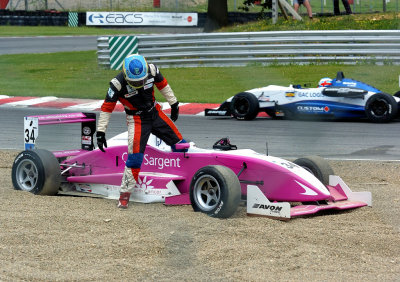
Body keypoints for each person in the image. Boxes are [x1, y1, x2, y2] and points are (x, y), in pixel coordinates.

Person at [96, 54, 185, 209]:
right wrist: (100, 132)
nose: (139, 83)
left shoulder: (152, 69)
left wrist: (174, 103)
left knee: (180, 144)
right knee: (135, 158)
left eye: (141, 79)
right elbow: (106, 108)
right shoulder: (117, 84)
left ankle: (186, 181)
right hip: (136, 120)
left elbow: (163, 85)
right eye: (135, 81)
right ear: (126, 75)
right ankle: (124, 195)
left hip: (155, 113)